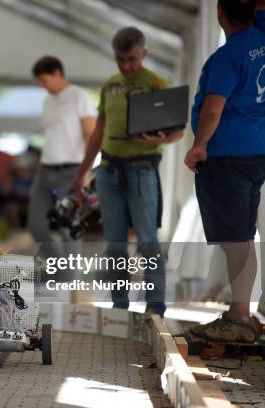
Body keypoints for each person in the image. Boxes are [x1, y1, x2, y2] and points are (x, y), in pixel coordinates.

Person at [74, 28, 185, 317]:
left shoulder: (157, 84)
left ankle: (155, 307)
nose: (126, 66)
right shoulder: (110, 86)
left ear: (144, 54)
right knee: (115, 245)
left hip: (142, 171)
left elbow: (178, 132)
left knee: (147, 241)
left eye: (132, 59)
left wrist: (158, 139)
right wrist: (83, 172)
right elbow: (98, 131)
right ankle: (119, 308)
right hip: (109, 172)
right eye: (120, 59)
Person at [185, 0, 265, 343]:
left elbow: (213, 108)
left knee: (237, 243)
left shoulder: (228, 55)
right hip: (255, 153)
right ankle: (241, 312)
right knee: (242, 238)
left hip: (227, 157)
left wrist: (199, 146)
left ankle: (239, 318)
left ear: (220, 13)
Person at [29, 56, 97, 259]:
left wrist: (85, 172)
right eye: (39, 82)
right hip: (45, 169)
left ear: (57, 74)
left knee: (69, 230)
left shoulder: (80, 97)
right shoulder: (48, 101)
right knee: (36, 226)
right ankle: (58, 268)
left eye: (44, 80)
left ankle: (68, 282)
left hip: (71, 171)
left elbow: (90, 136)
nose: (42, 86)